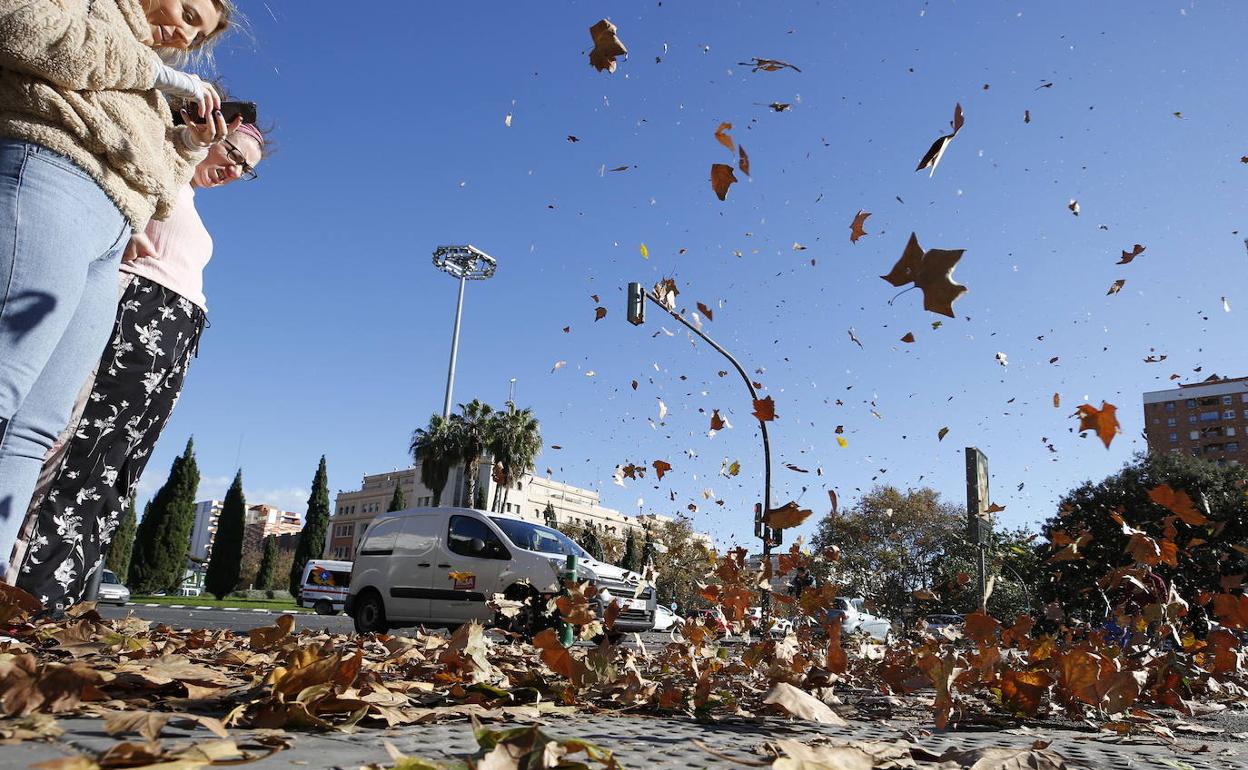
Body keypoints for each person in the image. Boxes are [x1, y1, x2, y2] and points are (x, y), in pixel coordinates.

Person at [0, 0, 236, 578]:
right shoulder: (100, 15)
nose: (181, 32)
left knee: (37, 425)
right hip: (53, 169)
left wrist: (185, 145)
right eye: (186, 11)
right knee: (5, 383)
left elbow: (158, 178)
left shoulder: (151, 79)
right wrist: (156, 72)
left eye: (195, 31)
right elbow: (19, 29)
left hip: (114, 225)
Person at [14, 119, 266, 610]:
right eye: (232, 153)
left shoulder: (189, 202)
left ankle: (58, 599)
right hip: (136, 314)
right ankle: (22, 588)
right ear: (210, 133)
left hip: (174, 333)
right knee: (79, 446)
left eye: (247, 169)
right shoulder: (159, 171)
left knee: (117, 471)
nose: (234, 169)